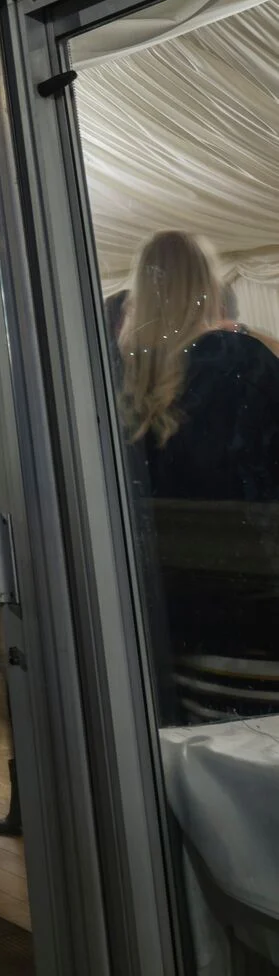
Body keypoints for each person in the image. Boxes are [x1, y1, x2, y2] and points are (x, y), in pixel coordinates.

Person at [119, 231, 279, 678]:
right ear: (206, 286)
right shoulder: (239, 359)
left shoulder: (123, 375)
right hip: (249, 581)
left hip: (158, 596)